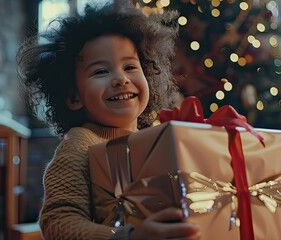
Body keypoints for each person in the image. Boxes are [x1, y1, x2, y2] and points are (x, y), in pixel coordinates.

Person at [17, 1, 201, 239]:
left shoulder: (155, 139)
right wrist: (128, 236)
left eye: (130, 67)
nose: (121, 79)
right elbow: (58, 222)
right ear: (73, 97)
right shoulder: (79, 146)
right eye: (101, 71)